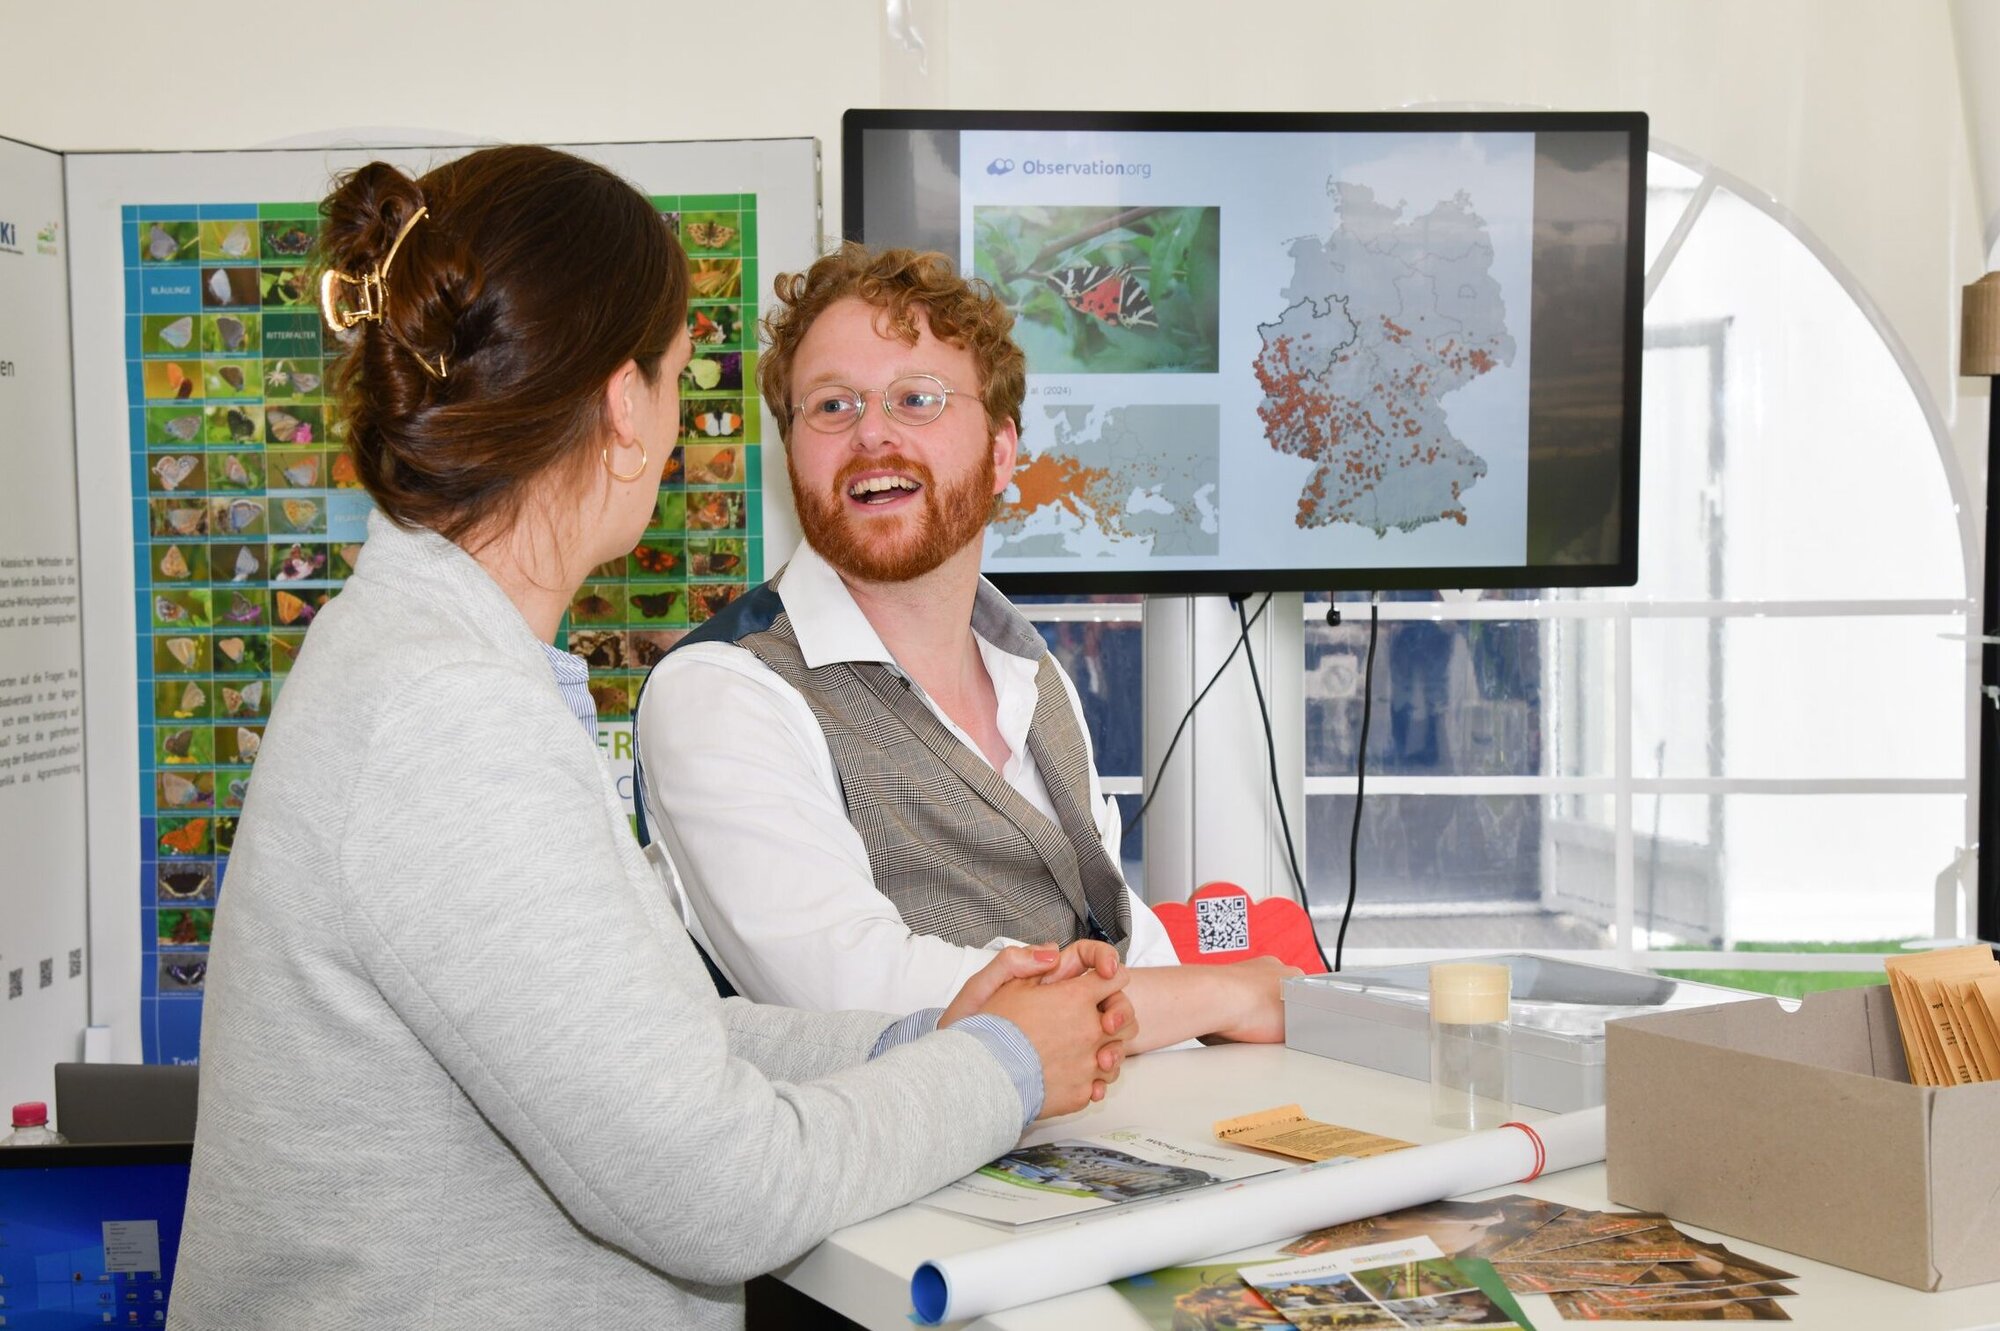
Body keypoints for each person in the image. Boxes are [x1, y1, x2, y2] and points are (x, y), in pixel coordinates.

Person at [166, 150, 1134, 1331]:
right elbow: (719, 1190)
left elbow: (648, 1041)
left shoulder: (446, 663)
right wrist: (1002, 1064)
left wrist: (922, 1034)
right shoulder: (445, 714)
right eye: (677, 381)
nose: (679, 431)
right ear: (623, 408)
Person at [634, 245, 1294, 1051]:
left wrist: (1228, 1003)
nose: (871, 432)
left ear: (1002, 455)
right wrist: (1227, 991)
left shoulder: (1034, 676)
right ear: (793, 454)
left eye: (917, 398)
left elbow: (1119, 931)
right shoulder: (718, 692)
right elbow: (859, 994)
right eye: (831, 406)